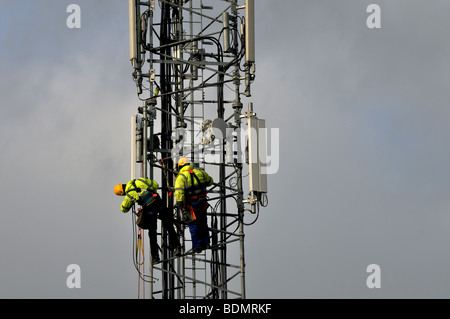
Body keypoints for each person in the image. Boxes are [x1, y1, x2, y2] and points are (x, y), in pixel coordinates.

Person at [114, 178, 180, 264]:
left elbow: (124, 209)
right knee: (168, 224)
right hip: (158, 202)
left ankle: (155, 257)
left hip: (150, 210)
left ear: (122, 193)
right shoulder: (139, 181)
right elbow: (155, 184)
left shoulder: (130, 194)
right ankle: (177, 246)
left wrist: (131, 199)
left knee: (152, 233)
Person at [174, 157, 213, 253]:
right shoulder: (200, 172)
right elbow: (210, 181)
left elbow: (179, 193)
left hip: (191, 205)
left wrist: (180, 205)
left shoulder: (181, 177)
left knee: (193, 225)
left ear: (180, 167)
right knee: (203, 222)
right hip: (203, 202)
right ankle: (207, 243)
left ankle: (198, 246)